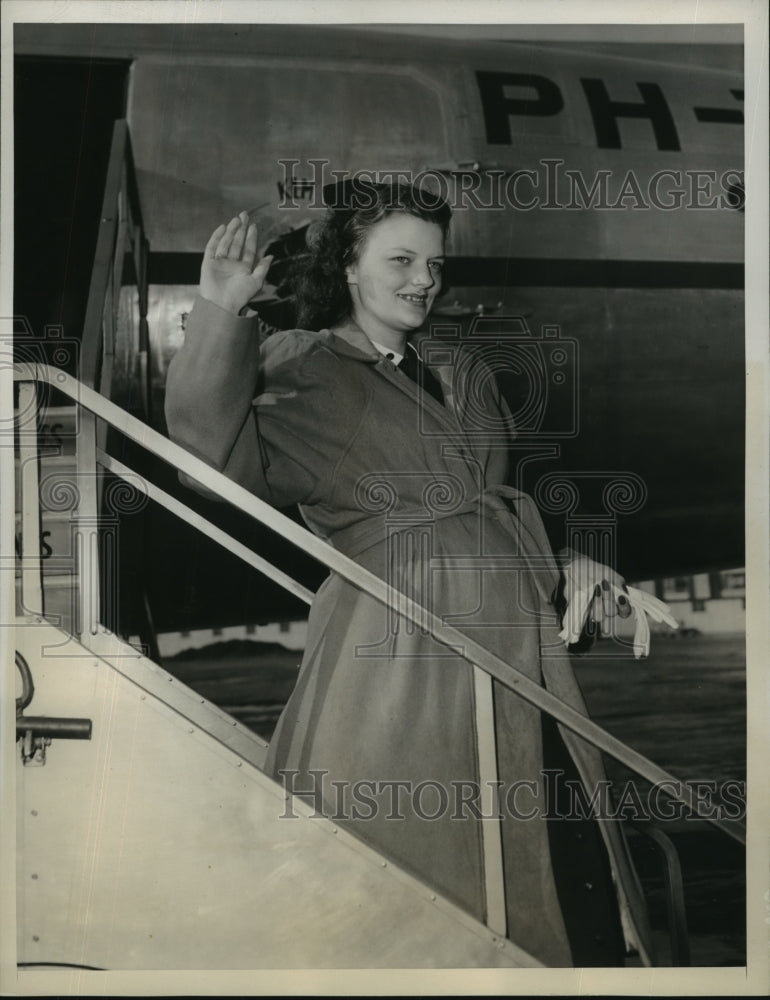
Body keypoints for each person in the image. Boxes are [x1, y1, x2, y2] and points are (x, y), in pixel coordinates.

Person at [164, 181, 655, 967]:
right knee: (417, 893)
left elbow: (491, 514)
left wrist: (569, 567)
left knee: (563, 873)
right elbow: (208, 460)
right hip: (398, 661)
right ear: (349, 267)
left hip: (515, 659)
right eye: (400, 258)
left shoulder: (465, 374)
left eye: (435, 261)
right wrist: (221, 315)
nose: (424, 278)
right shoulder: (307, 363)